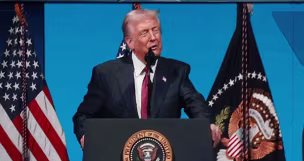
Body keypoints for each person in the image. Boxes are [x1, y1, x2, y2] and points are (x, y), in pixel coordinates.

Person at [71, 8, 217, 147]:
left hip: (166, 160)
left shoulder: (176, 71)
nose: (153, 38)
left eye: (156, 30)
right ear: (129, 42)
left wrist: (207, 125)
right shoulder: (106, 74)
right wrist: (86, 135)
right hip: (118, 160)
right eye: (144, 33)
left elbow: (195, 105)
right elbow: (83, 116)